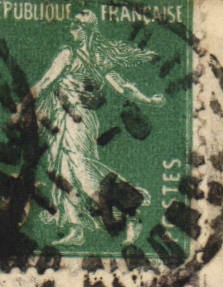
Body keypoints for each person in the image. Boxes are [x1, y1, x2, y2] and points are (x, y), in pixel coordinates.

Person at [26, 9, 165, 248]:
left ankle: (131, 207)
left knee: (80, 166)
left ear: (88, 30)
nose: (71, 30)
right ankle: (76, 227)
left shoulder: (80, 56)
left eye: (76, 26)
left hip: (79, 119)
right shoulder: (71, 54)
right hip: (64, 117)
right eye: (72, 26)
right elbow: (47, 82)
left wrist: (148, 100)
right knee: (64, 170)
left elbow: (122, 86)